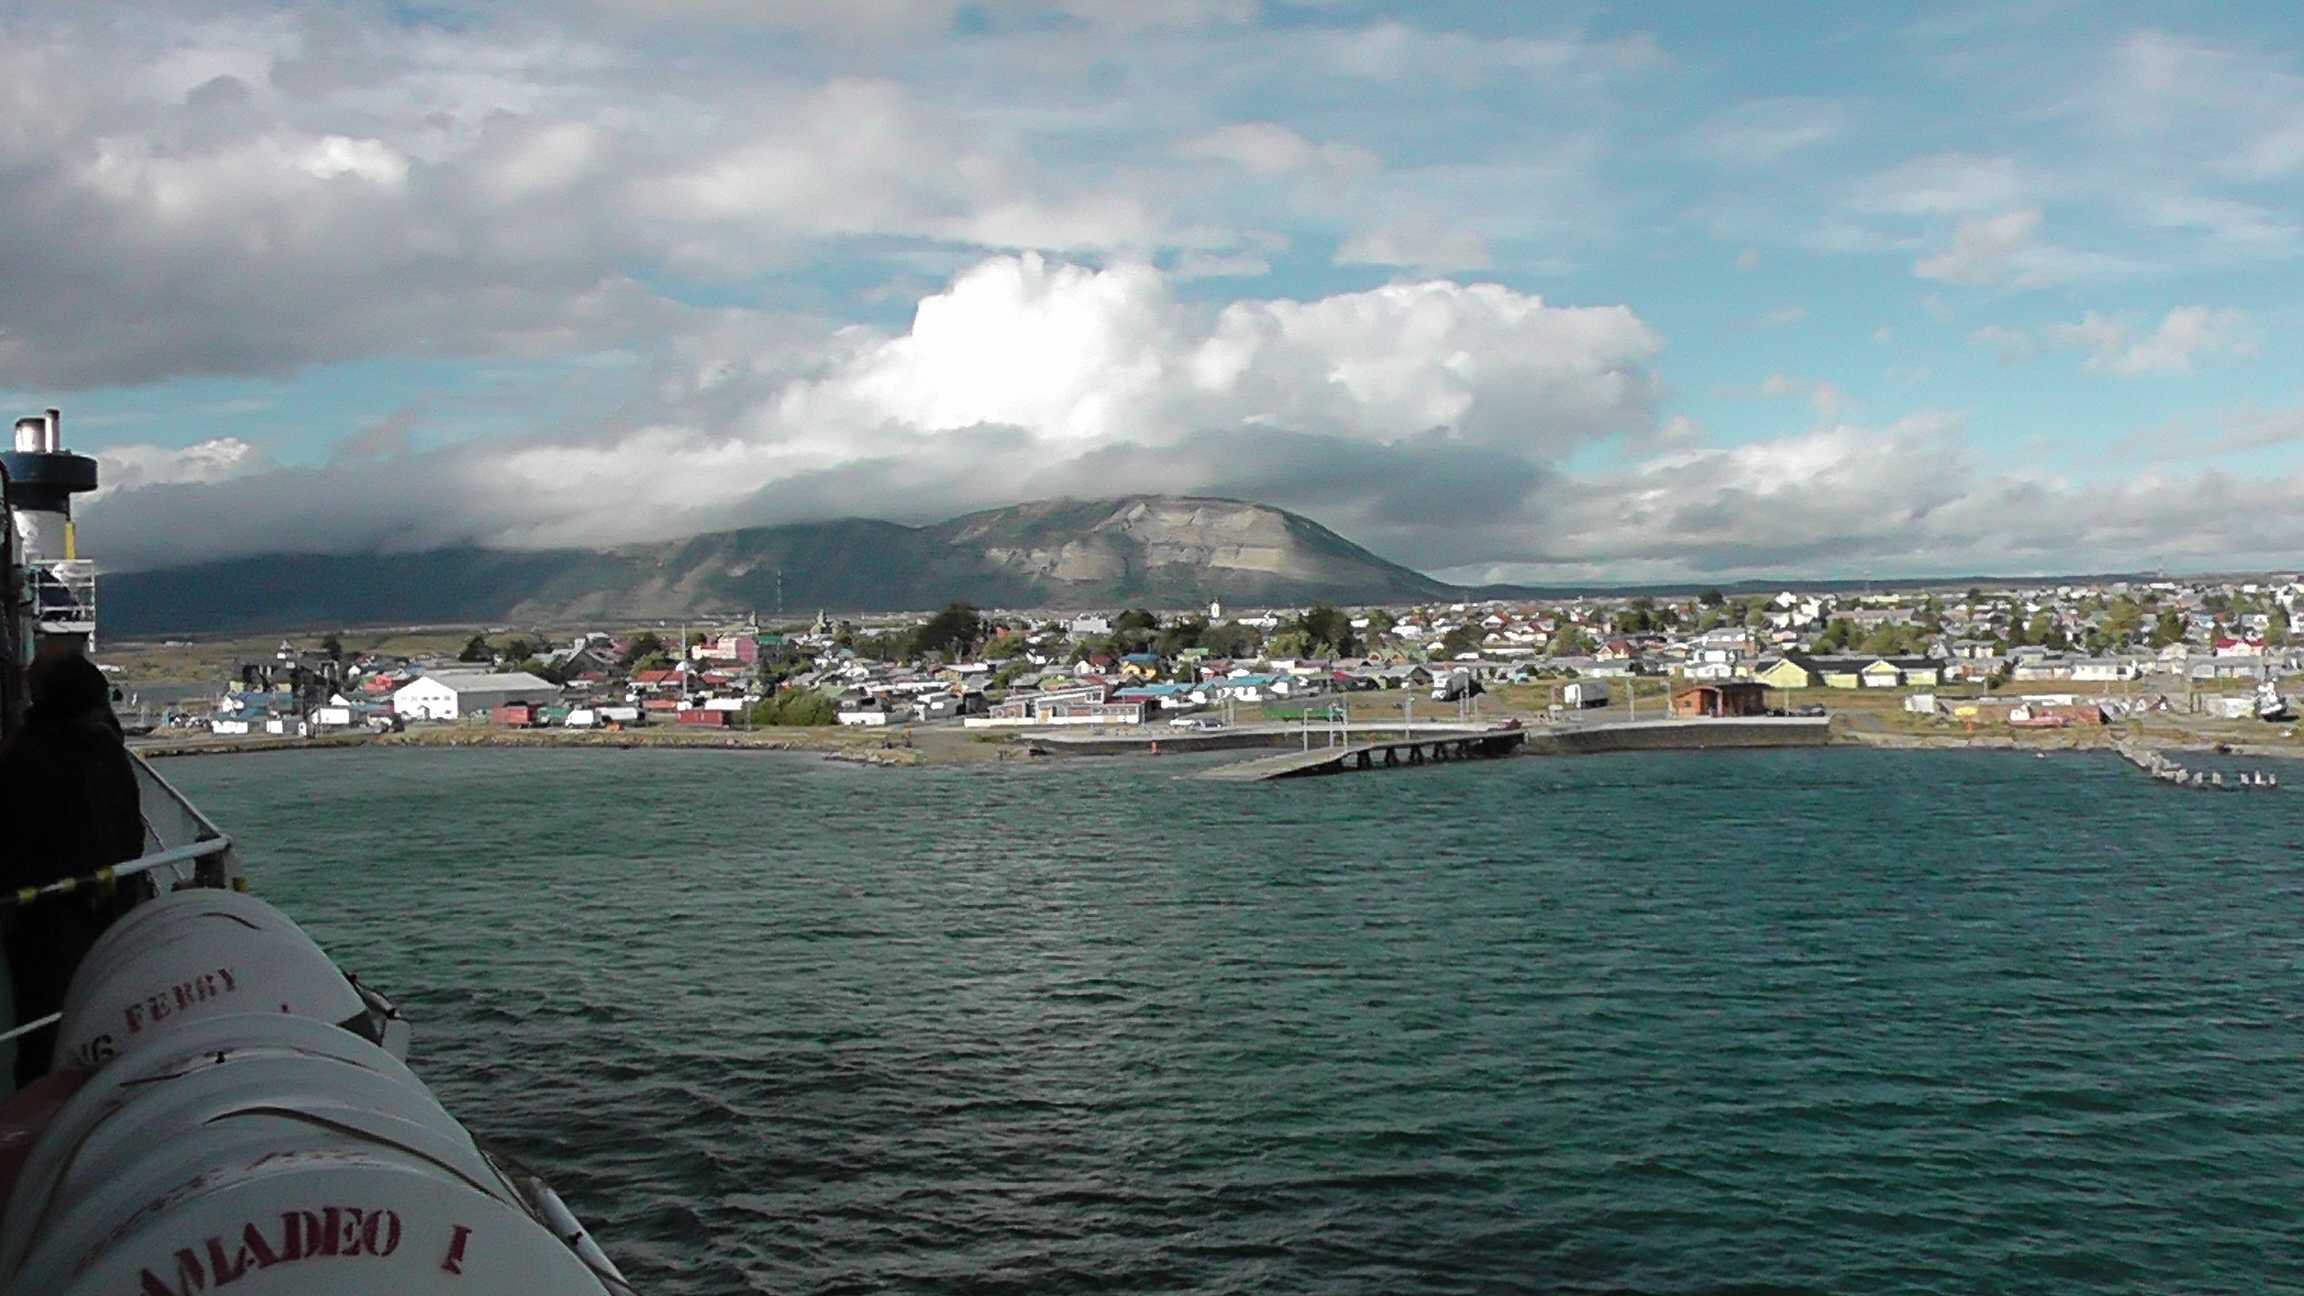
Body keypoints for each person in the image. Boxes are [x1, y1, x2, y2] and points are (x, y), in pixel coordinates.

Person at [0, 648, 145, 1084]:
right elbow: (126, 831)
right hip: (108, 907)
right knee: (110, 1013)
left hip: (39, 917)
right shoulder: (105, 751)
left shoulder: (20, 756)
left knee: (44, 1026)